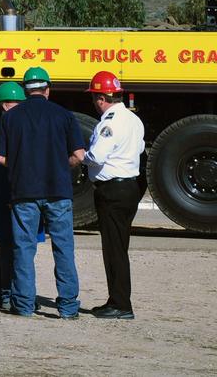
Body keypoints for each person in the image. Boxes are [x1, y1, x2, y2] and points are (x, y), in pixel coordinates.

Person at [0, 66, 86, 319]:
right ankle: (68, 307)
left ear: (25, 90)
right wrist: (60, 164)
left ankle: (23, 305)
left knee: (23, 248)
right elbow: (79, 155)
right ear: (47, 89)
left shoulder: (10, 118)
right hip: (58, 191)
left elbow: (0, 157)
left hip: (23, 192)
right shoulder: (64, 115)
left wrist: (21, 165)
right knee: (63, 248)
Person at [81, 71, 145, 320]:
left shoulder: (108, 123)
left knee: (114, 249)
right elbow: (139, 148)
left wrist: (80, 158)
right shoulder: (133, 120)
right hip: (129, 187)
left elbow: (97, 155)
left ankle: (120, 304)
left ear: (100, 98)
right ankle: (117, 300)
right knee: (119, 246)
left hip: (112, 190)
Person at [0, 81, 26, 311]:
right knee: (7, 243)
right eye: (13, 103)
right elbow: (1, 165)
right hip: (6, 192)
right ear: (3, 106)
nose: (17, 107)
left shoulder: (4, 127)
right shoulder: (2, 130)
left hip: (5, 191)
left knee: (5, 244)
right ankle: (3, 293)